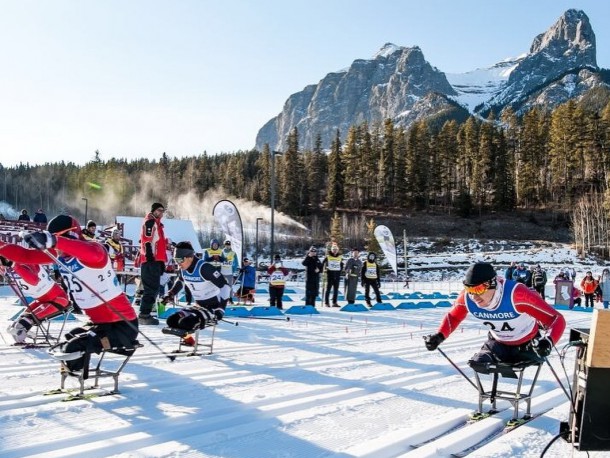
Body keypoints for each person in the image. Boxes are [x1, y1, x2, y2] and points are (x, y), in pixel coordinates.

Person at [0, 214, 139, 371]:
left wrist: (54, 240)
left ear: (70, 235)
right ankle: (79, 381)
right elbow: (25, 255)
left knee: (73, 348)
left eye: (57, 240)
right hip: (99, 323)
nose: (55, 250)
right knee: (69, 340)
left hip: (122, 325)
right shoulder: (61, 256)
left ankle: (84, 386)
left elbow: (91, 252)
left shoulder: (94, 250)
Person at [424, 262, 566, 370]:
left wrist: (548, 342)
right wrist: (439, 336)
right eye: (469, 289)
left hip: (528, 343)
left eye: (478, 289)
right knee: (478, 363)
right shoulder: (466, 298)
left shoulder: (517, 295)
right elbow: (453, 317)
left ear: (493, 283)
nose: (474, 296)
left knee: (523, 362)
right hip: (498, 343)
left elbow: (557, 319)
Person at [0, 250, 70, 344]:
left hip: (57, 299)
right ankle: (22, 341)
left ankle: (23, 340)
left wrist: (14, 265)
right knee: (17, 323)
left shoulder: (26, 262)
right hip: (41, 300)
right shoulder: (7, 268)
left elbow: (34, 281)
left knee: (23, 323)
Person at [160, 241, 229, 336]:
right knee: (171, 321)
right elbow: (180, 281)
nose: (178, 264)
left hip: (213, 308)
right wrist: (171, 293)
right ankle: (189, 341)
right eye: (176, 260)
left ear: (190, 257)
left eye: (180, 260)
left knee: (185, 323)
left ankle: (190, 341)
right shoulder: (183, 269)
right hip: (198, 306)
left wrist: (221, 309)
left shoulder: (204, 268)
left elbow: (225, 286)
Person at [138, 203, 168, 325]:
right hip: (150, 260)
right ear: (154, 211)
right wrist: (150, 256)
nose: (161, 212)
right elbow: (146, 240)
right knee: (151, 289)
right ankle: (144, 315)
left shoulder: (157, 223)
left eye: (162, 211)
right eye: (159, 210)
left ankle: (146, 313)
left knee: (154, 288)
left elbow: (159, 245)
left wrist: (161, 261)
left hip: (155, 260)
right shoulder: (150, 222)